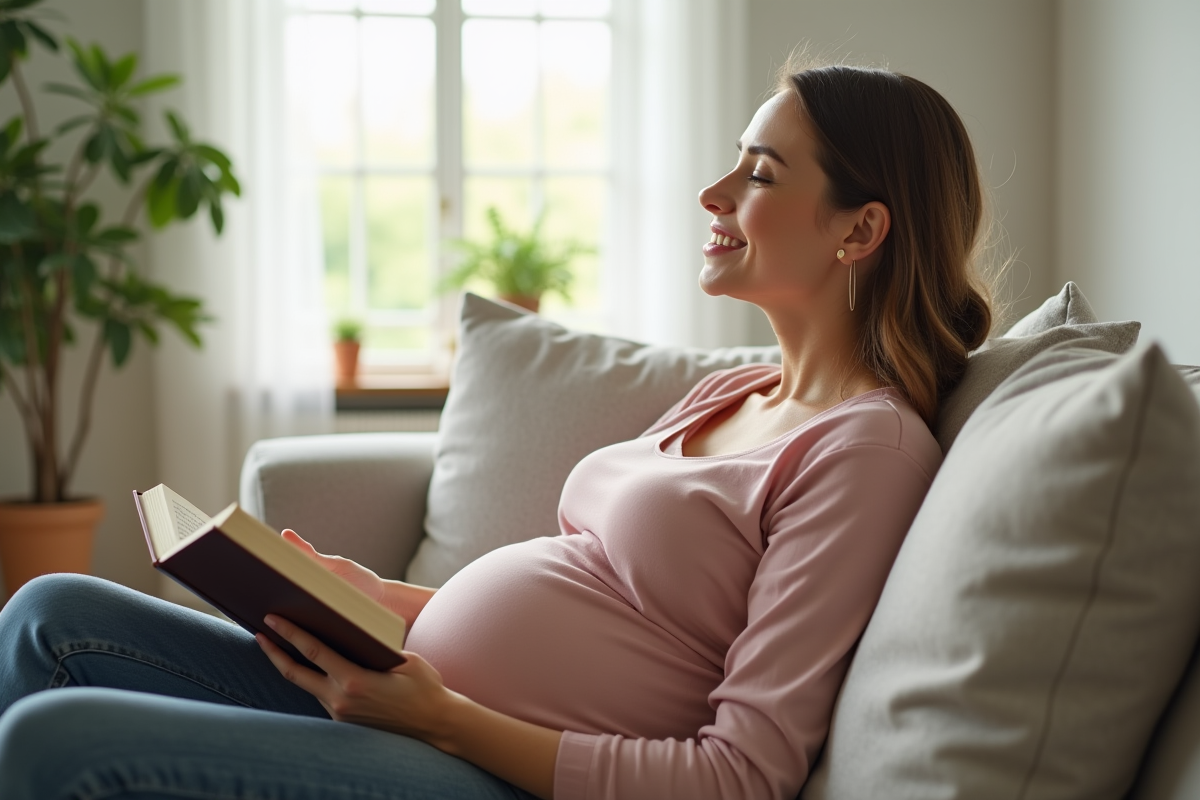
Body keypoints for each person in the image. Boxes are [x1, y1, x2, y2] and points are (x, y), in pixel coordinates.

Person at [0, 61, 993, 800]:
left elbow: (744, 771)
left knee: (51, 742)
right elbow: (608, 597)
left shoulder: (865, 451)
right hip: (410, 701)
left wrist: (443, 717)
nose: (716, 194)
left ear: (860, 231)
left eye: (762, 173)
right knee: (49, 614)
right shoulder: (736, 388)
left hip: (486, 767)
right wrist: (379, 597)